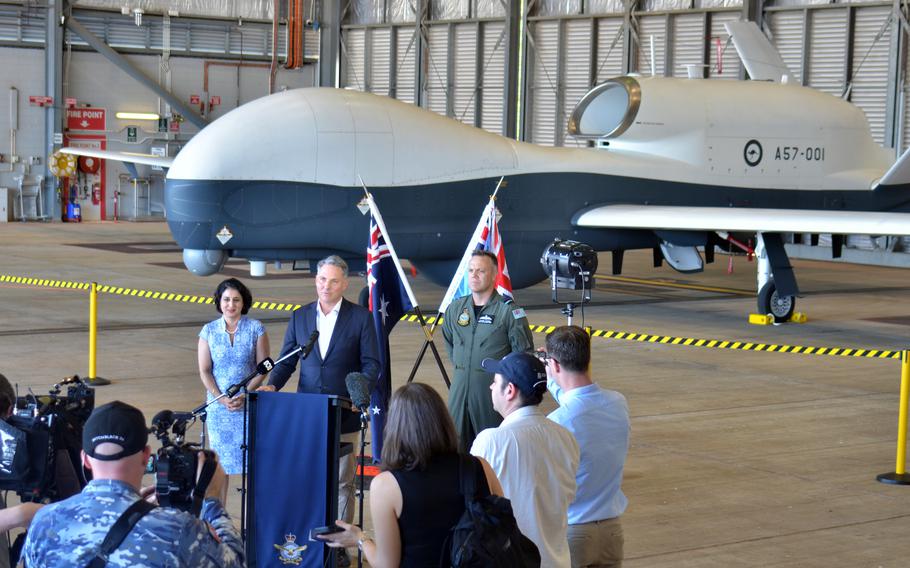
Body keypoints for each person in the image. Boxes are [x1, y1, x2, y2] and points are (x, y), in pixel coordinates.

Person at [20, 401, 243, 567]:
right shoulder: (176, 529)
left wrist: (138, 510)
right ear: (146, 456)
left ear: (85, 459)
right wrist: (211, 498)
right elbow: (235, 562)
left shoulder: (44, 523)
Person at [260, 255, 379, 566]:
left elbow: (372, 364)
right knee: (310, 479)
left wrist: (360, 389)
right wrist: (272, 385)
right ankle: (312, 541)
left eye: (334, 281)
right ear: (316, 280)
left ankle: (339, 547)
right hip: (308, 417)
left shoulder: (360, 318)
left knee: (342, 482)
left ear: (345, 283)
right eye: (322, 279)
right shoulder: (300, 317)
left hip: (344, 413)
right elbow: (287, 360)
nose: (326, 286)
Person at [317, 382, 503, 567]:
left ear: (395, 428)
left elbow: (386, 564)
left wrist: (359, 539)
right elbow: (504, 527)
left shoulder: (386, 486)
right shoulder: (480, 466)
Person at [470, 352, 579, 568]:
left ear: (509, 390)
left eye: (495, 382)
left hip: (513, 560)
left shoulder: (491, 441)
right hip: (557, 561)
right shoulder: (566, 436)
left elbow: (471, 505)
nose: (491, 388)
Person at [544, 326, 630, 568]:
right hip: (612, 531)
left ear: (555, 365)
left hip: (574, 533)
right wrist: (554, 377)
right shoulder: (618, 403)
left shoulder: (557, 422)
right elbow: (580, 403)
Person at [442, 250, 534, 451]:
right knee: (455, 447)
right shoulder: (455, 309)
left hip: (492, 391)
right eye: (471, 270)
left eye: (481, 271)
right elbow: (449, 342)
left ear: (494, 275)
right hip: (459, 389)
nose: (474, 275)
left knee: (493, 446)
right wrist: (466, 366)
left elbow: (523, 355)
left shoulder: (509, 311)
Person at [197, 278, 270, 475]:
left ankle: (252, 506)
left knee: (254, 465)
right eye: (226, 299)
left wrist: (246, 392)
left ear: (244, 302)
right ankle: (218, 505)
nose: (231, 305)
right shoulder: (208, 331)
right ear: (219, 302)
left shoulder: (256, 328)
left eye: (236, 300)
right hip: (219, 409)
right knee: (219, 469)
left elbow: (264, 367)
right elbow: (205, 370)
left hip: (247, 403)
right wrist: (221, 399)